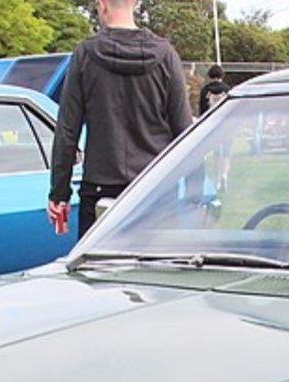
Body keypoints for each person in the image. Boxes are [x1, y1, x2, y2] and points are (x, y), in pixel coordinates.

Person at [46, 0, 191, 237]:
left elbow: (67, 130)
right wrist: (195, 191)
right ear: (136, 2)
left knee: (96, 271)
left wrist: (59, 193)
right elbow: (184, 131)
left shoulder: (85, 54)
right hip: (155, 187)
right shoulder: (166, 55)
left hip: (101, 187)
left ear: (101, 4)